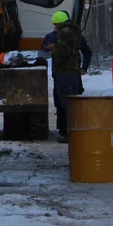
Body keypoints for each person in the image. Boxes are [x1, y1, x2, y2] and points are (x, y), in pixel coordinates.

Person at [46, 10, 92, 143]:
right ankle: (76, 130)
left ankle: (69, 133)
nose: (54, 27)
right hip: (74, 74)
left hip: (63, 73)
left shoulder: (63, 33)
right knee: (75, 102)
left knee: (65, 104)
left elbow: (62, 52)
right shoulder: (77, 33)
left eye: (55, 24)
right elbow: (87, 52)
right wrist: (83, 68)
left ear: (59, 23)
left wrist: (53, 48)